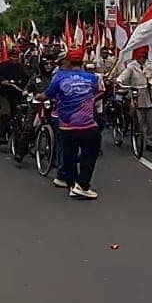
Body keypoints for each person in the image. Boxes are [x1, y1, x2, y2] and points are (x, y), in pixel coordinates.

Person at [45, 48, 104, 199]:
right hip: (87, 125)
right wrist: (89, 99)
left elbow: (47, 94)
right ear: (82, 61)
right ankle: (82, 184)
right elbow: (100, 91)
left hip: (66, 125)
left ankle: (73, 184)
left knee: (69, 156)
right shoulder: (91, 78)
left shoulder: (59, 78)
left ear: (68, 62)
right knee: (89, 155)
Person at [117, 47, 152, 152]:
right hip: (137, 95)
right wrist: (118, 81)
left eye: (144, 57)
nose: (142, 59)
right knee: (136, 119)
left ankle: (150, 142)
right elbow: (123, 76)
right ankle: (134, 133)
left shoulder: (151, 66)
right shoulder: (131, 67)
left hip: (150, 96)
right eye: (140, 57)